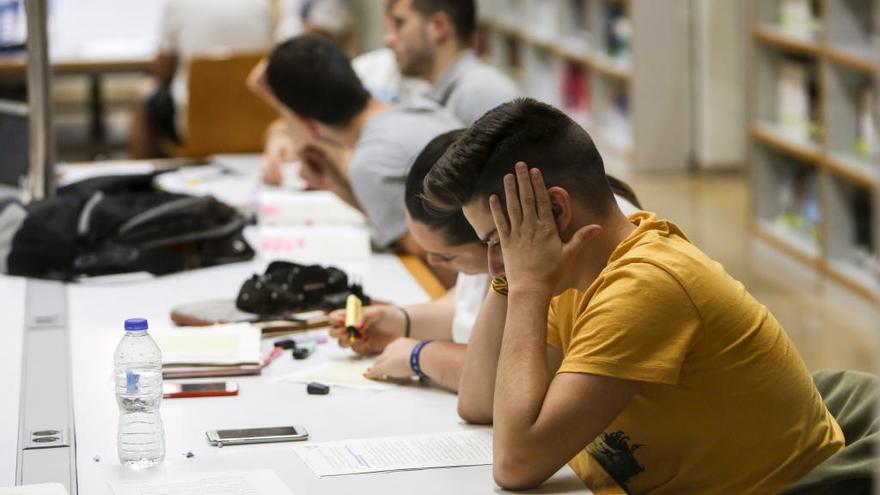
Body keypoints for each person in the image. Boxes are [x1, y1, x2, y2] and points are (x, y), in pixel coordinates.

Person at [421, 98, 844, 493]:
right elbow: (481, 400)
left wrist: (526, 283)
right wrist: (515, 278)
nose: (494, 264)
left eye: (498, 240)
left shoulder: (647, 285)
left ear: (553, 212)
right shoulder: (569, 271)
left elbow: (516, 464)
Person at [327, 129, 645, 393]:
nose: (436, 265)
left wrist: (420, 355)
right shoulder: (516, 227)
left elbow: (501, 384)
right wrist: (400, 322)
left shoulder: (565, 248)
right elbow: (469, 304)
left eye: (448, 256)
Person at [263, 34, 459, 252]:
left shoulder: (370, 162)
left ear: (302, 120)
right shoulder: (417, 105)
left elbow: (430, 257)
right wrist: (336, 185)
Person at [130, 0, 275, 158]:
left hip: (195, 125)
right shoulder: (264, 4)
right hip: (257, 124)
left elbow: (163, 72)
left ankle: (142, 172)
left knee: (144, 93)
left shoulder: (176, 4)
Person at [384, 0, 519, 125]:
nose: (388, 39)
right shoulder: (450, 94)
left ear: (439, 26)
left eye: (399, 23)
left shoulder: (479, 93)